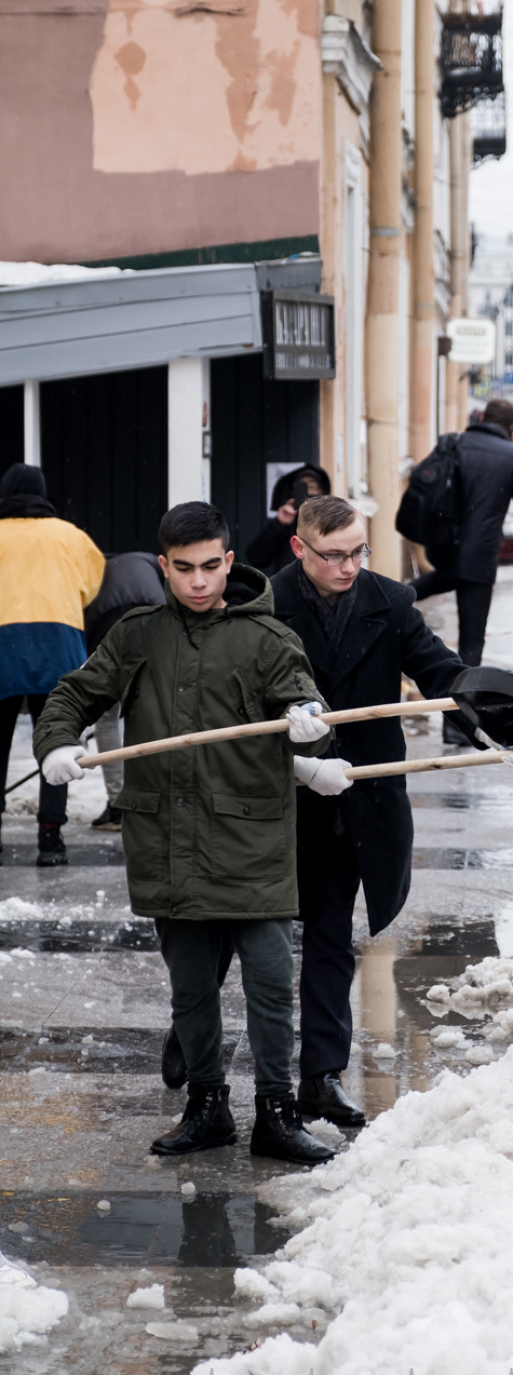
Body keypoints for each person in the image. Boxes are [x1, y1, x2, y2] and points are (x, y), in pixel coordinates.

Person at [33, 501, 336, 1165]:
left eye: (210, 567)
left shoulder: (267, 638)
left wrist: (308, 719)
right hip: (169, 842)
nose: (199, 583)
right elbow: (74, 694)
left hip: (253, 842)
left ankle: (277, 1115)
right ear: (163, 565)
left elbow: (300, 695)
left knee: (268, 984)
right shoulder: (138, 635)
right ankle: (207, 1109)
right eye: (184, 569)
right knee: (191, 990)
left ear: (229, 561)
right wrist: (57, 740)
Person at [160, 494, 474, 1127]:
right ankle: (192, 1040)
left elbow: (439, 671)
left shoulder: (391, 603)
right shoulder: (260, 607)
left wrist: (485, 716)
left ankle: (321, 1077)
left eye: (359, 551)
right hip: (268, 804)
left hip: (351, 804)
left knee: (331, 938)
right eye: (333, 555)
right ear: (300, 548)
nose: (349, 566)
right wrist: (296, 757)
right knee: (227, 931)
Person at [0, 463, 105, 866]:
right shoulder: (71, 536)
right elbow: (92, 585)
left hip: (3, 644)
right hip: (56, 642)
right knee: (57, 739)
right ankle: (51, 839)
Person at [412, 399, 513, 698]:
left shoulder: (455, 443)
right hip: (479, 557)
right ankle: (458, 722)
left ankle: (392, 599)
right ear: (510, 427)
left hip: (443, 548)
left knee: (435, 581)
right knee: (470, 642)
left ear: (482, 417)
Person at [83, 552, 166, 831]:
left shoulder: (94, 570)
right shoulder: (149, 561)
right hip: (155, 621)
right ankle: (162, 799)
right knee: (157, 711)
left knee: (106, 719)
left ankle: (119, 805)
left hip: (106, 627)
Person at [245, 463, 331, 577]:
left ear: (322, 492)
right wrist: (279, 524)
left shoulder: (331, 522)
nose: (308, 493)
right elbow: (256, 558)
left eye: (312, 487)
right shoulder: (286, 525)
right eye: (302, 487)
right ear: (293, 493)